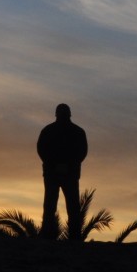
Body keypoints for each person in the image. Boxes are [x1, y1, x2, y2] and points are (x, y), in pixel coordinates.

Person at [37, 103, 89, 240]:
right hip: (60, 173)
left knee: (64, 206)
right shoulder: (76, 132)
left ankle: (71, 236)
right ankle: (67, 236)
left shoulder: (50, 131)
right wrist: (58, 165)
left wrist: (60, 165)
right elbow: (42, 150)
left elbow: (82, 152)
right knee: (53, 205)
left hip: (64, 174)